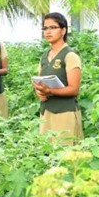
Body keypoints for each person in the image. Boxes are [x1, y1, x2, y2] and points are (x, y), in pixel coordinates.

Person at [33, 12, 83, 145]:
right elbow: (37, 81)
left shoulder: (70, 56)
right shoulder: (44, 56)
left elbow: (74, 89)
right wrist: (39, 92)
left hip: (65, 113)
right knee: (47, 154)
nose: (48, 31)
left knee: (67, 154)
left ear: (63, 30)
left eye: (53, 27)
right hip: (47, 112)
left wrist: (49, 91)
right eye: (45, 28)